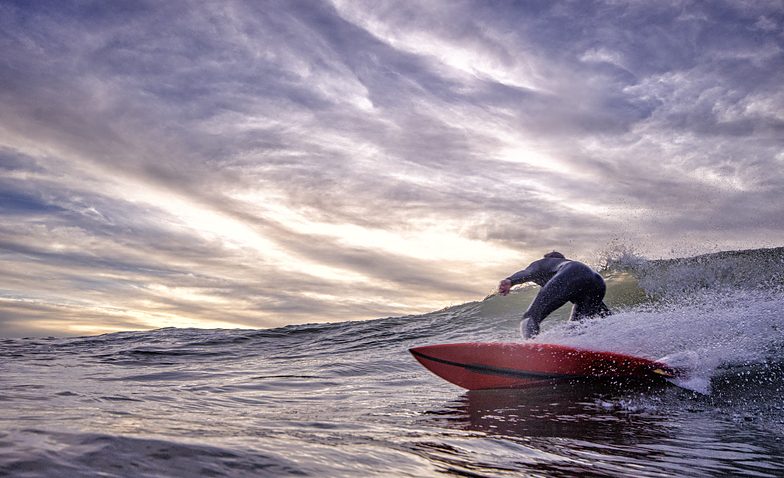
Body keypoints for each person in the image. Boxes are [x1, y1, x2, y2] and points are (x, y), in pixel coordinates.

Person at [498, 252, 611, 339]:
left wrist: (511, 280)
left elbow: (527, 273)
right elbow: (600, 308)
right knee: (576, 329)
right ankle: (574, 352)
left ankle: (531, 350)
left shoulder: (543, 262)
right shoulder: (569, 269)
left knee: (530, 317)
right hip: (597, 281)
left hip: (571, 273)